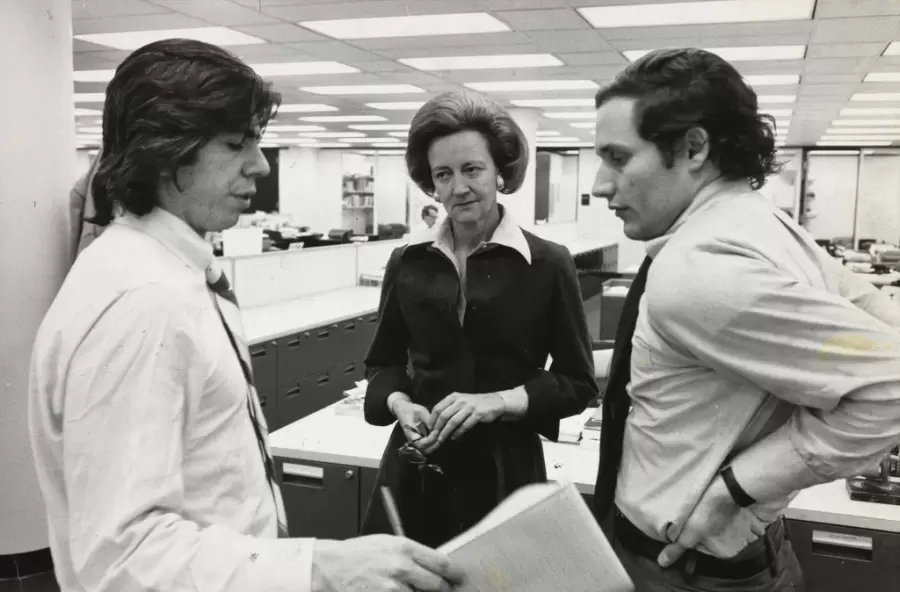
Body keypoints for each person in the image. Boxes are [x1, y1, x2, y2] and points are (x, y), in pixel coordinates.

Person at [29, 38, 462, 592]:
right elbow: (123, 558)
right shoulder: (144, 302)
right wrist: (318, 567)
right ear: (165, 150)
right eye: (237, 144)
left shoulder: (171, 275)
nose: (260, 164)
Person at [590, 48, 900, 592]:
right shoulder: (765, 226)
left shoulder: (698, 267)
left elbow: (891, 383)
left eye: (617, 157)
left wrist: (733, 488)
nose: (599, 184)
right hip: (740, 554)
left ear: (692, 147)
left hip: (684, 570)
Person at [360, 91, 598, 547]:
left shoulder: (547, 262)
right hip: (416, 467)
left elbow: (578, 383)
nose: (458, 188)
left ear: (501, 173)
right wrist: (400, 405)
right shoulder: (407, 262)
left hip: (504, 471)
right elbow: (383, 364)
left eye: (472, 169)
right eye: (443, 175)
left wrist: (498, 401)